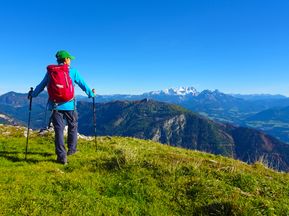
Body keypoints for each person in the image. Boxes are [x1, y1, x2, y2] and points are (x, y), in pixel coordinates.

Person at [29, 50, 95, 164]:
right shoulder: (73, 72)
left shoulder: (51, 72)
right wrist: (91, 94)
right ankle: (72, 150)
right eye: (70, 59)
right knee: (73, 126)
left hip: (55, 106)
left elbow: (41, 85)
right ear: (66, 60)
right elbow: (83, 84)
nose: (70, 61)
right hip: (70, 106)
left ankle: (61, 157)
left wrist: (32, 94)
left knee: (58, 131)